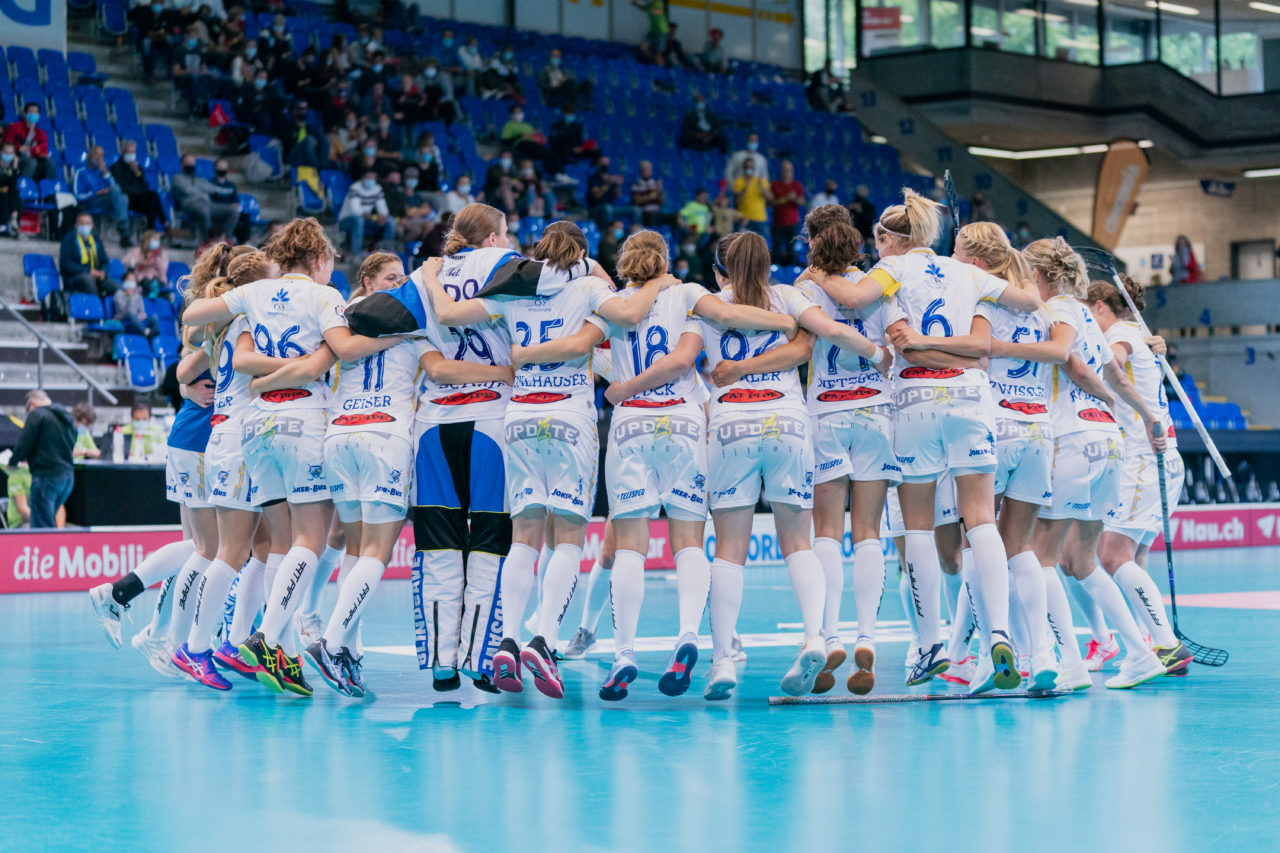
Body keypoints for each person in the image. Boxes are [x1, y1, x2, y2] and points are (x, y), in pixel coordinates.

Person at [515, 229, 795, 700]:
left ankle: (623, 651)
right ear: (665, 262)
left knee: (629, 547)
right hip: (683, 423)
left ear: (626, 264)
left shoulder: (609, 303)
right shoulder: (686, 293)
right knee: (689, 542)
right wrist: (786, 321)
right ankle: (688, 635)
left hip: (629, 428)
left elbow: (583, 348)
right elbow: (725, 316)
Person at [418, 220, 680, 699]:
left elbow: (449, 314)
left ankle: (509, 640)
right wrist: (660, 280)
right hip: (568, 418)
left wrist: (432, 275)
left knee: (525, 536)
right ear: (580, 252)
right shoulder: (586, 287)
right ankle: (545, 640)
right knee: (568, 539)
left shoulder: (512, 291)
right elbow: (629, 309)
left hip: (518, 418)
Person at [813, 189, 1040, 691]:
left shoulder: (893, 273)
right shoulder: (965, 272)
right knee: (981, 520)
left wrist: (816, 271)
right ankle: (999, 631)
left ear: (887, 239)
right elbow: (1029, 301)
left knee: (916, 527)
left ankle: (930, 642)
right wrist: (987, 288)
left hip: (915, 401)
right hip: (971, 400)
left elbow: (851, 300)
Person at [182, 218, 397, 696]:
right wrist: (394, 337)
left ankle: (278, 650)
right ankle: (263, 639)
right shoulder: (325, 297)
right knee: (310, 540)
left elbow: (196, 313)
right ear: (319, 260)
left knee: (280, 543)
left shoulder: (256, 293)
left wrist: (224, 352)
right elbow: (340, 349)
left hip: (257, 424)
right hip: (304, 416)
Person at [694, 232, 886, 700]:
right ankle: (816, 637)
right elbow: (805, 348)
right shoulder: (789, 295)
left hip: (731, 422)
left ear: (721, 271)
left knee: (729, 550)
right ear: (769, 264)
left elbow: (685, 360)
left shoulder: (703, 302)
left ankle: (722, 661)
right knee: (798, 541)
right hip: (788, 422)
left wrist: (734, 370)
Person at [249, 252, 424, 698]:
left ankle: (346, 645)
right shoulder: (413, 323)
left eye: (402, 278)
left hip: (341, 435)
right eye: (390, 277)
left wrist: (258, 384)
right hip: (384, 435)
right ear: (367, 280)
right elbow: (437, 370)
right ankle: (331, 639)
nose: (398, 284)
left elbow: (314, 364)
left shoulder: (338, 321)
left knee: (352, 544)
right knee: (375, 553)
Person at [1002, 238, 1167, 690]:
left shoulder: (1056, 311)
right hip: (1107, 441)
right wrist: (1147, 415)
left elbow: (1066, 360)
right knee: (1083, 560)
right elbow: (1115, 375)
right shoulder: (1089, 318)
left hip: (1071, 439)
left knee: (1040, 558)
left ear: (1036, 276)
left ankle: (1070, 662)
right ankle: (1138, 651)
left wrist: (996, 346)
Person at [778, 206, 903, 695]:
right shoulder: (877, 286)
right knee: (868, 530)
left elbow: (802, 344)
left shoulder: (803, 290)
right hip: (876, 412)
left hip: (826, 414)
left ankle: (829, 634)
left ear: (812, 242)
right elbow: (899, 342)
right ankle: (866, 635)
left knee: (826, 530)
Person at [943, 221, 1058, 691]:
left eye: (954, 250)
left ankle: (991, 651)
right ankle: (1043, 653)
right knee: (1021, 548)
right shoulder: (1038, 306)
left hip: (996, 424)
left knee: (978, 539)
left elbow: (977, 354)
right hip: (1039, 429)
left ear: (974, 262)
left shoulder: (981, 297)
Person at [1087, 276, 1192, 675]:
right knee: (1133, 558)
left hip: (1145, 460)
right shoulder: (1134, 334)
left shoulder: (1122, 332)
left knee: (1110, 554)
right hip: (1156, 459)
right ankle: (1157, 643)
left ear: (1100, 306)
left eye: (1088, 313)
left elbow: (1110, 359)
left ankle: (1166, 645)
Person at [10, 390, 75, 529]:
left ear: (32, 403)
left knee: (41, 525)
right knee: (49, 519)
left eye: (28, 410)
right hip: (67, 477)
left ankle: (47, 550)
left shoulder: (37, 414)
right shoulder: (66, 416)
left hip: (46, 475)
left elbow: (24, 443)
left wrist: (12, 462)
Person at [172, 155, 239, 242]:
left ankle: (224, 239)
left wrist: (197, 188)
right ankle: (208, 241)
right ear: (182, 164)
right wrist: (202, 190)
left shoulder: (199, 179)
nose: (191, 165)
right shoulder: (177, 178)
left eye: (193, 163)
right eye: (188, 163)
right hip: (190, 204)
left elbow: (212, 189)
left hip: (208, 204)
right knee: (204, 210)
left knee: (233, 211)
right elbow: (186, 190)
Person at [73, 146, 131, 246]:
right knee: (120, 195)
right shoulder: (81, 172)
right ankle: (124, 232)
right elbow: (77, 195)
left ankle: (124, 232)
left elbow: (114, 188)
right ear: (90, 156)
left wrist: (105, 171)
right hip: (91, 201)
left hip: (106, 201)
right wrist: (95, 193)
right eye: (97, 155)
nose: (100, 158)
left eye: (102, 155)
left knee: (124, 196)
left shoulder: (103, 172)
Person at [111, 141, 168, 230]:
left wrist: (137, 173)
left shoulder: (138, 168)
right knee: (152, 198)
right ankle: (163, 223)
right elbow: (123, 187)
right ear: (122, 153)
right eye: (129, 152)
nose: (132, 155)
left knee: (152, 197)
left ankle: (151, 228)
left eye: (133, 152)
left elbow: (146, 187)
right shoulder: (116, 167)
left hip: (139, 198)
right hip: (126, 199)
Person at [60, 212, 119, 299]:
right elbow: (66, 264)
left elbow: (105, 261)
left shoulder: (96, 240)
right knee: (88, 279)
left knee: (114, 286)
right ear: (76, 225)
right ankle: (97, 308)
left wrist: (103, 272)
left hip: (96, 276)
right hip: (74, 277)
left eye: (87, 223)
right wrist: (88, 271)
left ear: (92, 226)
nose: (85, 226)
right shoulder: (69, 240)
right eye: (82, 223)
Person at [338, 171, 395, 253]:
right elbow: (356, 211)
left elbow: (383, 208)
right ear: (363, 178)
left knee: (390, 221)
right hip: (346, 220)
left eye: (373, 178)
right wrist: (373, 216)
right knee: (358, 220)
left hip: (366, 219)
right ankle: (356, 254)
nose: (371, 180)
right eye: (368, 178)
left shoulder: (377, 188)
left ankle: (386, 253)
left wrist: (382, 216)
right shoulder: (355, 188)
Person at [2, 102, 53, 181]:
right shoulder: (14, 127)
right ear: (25, 114)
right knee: (32, 162)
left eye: (36, 112)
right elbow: (6, 145)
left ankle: (50, 189)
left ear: (39, 115)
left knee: (51, 163)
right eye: (31, 112)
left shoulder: (41, 133)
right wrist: (19, 148)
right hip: (17, 156)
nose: (33, 114)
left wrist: (42, 154)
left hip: (34, 157)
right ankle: (23, 185)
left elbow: (43, 150)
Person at [769, 160, 805, 266]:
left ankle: (791, 272)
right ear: (781, 172)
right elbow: (770, 203)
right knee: (776, 250)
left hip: (793, 223)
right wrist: (785, 199)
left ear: (792, 172)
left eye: (788, 170)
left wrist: (795, 198)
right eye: (784, 170)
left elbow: (802, 201)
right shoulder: (775, 185)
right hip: (778, 223)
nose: (786, 173)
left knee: (791, 250)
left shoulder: (796, 185)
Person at [586, 157, 639, 227]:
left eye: (607, 164)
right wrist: (607, 184)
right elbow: (597, 195)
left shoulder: (611, 176)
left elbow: (618, 195)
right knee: (608, 208)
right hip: (596, 209)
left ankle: (637, 232)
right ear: (598, 164)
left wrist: (617, 185)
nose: (605, 166)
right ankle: (609, 232)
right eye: (603, 164)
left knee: (636, 210)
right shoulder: (594, 178)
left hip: (612, 208)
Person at [121, 230, 170, 298]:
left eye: (158, 240)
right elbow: (124, 261)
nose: (157, 242)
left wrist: (157, 258)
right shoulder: (137, 251)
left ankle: (156, 291)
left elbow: (163, 270)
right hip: (140, 278)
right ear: (147, 240)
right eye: (154, 239)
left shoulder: (161, 254)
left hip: (156, 278)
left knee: (155, 281)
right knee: (144, 281)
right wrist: (138, 262)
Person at [732, 159, 771, 241]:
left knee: (760, 244)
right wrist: (744, 189)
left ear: (754, 168)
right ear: (744, 168)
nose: (749, 168)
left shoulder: (762, 181)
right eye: (747, 166)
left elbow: (770, 198)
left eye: (751, 166)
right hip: (744, 218)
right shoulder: (739, 182)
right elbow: (737, 201)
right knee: (743, 244)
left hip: (760, 218)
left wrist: (762, 188)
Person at [630, 160, 668, 227]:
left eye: (649, 169)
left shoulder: (655, 184)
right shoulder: (636, 184)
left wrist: (660, 191)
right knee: (652, 217)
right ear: (641, 171)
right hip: (646, 213)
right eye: (645, 169)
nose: (648, 171)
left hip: (657, 211)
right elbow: (637, 201)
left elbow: (662, 202)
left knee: (674, 217)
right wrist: (652, 195)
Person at [0, 142, 22, 236]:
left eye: (10, 153)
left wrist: (15, 167)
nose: (8, 155)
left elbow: (13, 184)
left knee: (15, 192)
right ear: (0, 152)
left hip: (7, 192)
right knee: (4, 195)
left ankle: (13, 219)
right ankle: (6, 224)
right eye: (6, 152)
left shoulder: (12, 167)